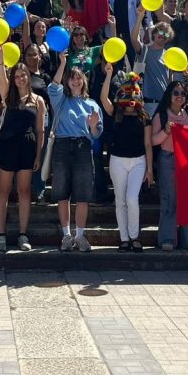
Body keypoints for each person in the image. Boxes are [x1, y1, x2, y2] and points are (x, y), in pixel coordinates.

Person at [48, 54, 104, 252]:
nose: (75, 80)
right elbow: (52, 86)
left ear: (84, 81)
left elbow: (97, 134)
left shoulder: (93, 104)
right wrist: (63, 63)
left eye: (78, 77)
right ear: (67, 81)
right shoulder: (61, 100)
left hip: (83, 148)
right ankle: (66, 236)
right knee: (62, 193)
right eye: (71, 77)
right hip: (62, 147)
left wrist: (92, 126)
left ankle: (80, 236)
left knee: (83, 195)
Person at [0, 47, 46, 252]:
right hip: (8, 146)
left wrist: (39, 155)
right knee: (3, 191)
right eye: (17, 75)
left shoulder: (38, 100)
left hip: (28, 147)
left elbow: (40, 131)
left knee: (24, 191)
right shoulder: (8, 97)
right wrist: (0, 61)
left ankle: (23, 234)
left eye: (24, 75)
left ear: (29, 77)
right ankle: (1, 235)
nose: (21, 78)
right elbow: (2, 80)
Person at [151, 70, 188, 251]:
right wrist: (166, 131)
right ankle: (167, 239)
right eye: (176, 93)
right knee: (169, 200)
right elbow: (154, 141)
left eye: (183, 93)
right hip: (168, 160)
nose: (179, 96)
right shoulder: (161, 115)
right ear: (169, 95)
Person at [99, 66, 154, 251]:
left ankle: (134, 236)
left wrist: (150, 169)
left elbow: (148, 144)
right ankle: (124, 238)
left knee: (132, 199)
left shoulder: (145, 117)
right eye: (127, 93)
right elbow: (103, 98)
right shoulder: (116, 113)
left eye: (134, 93)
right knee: (120, 199)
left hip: (138, 161)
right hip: (117, 160)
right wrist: (108, 75)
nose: (131, 97)